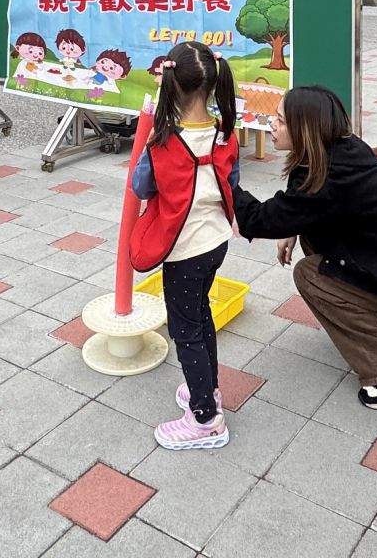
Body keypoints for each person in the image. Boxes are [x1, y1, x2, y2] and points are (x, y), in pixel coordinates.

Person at [233, 86, 377, 411]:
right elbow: (304, 208)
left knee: (311, 276)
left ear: (306, 130)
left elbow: (258, 220)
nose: (272, 123)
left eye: (281, 120)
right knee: (317, 242)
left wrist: (225, 181)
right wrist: (292, 226)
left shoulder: (329, 177)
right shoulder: (340, 150)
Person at [128, 41, 241, 451]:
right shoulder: (226, 134)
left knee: (185, 330)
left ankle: (205, 420)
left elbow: (141, 187)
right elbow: (232, 183)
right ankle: (208, 390)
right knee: (201, 314)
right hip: (216, 242)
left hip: (184, 250)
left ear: (170, 85)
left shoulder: (162, 142)